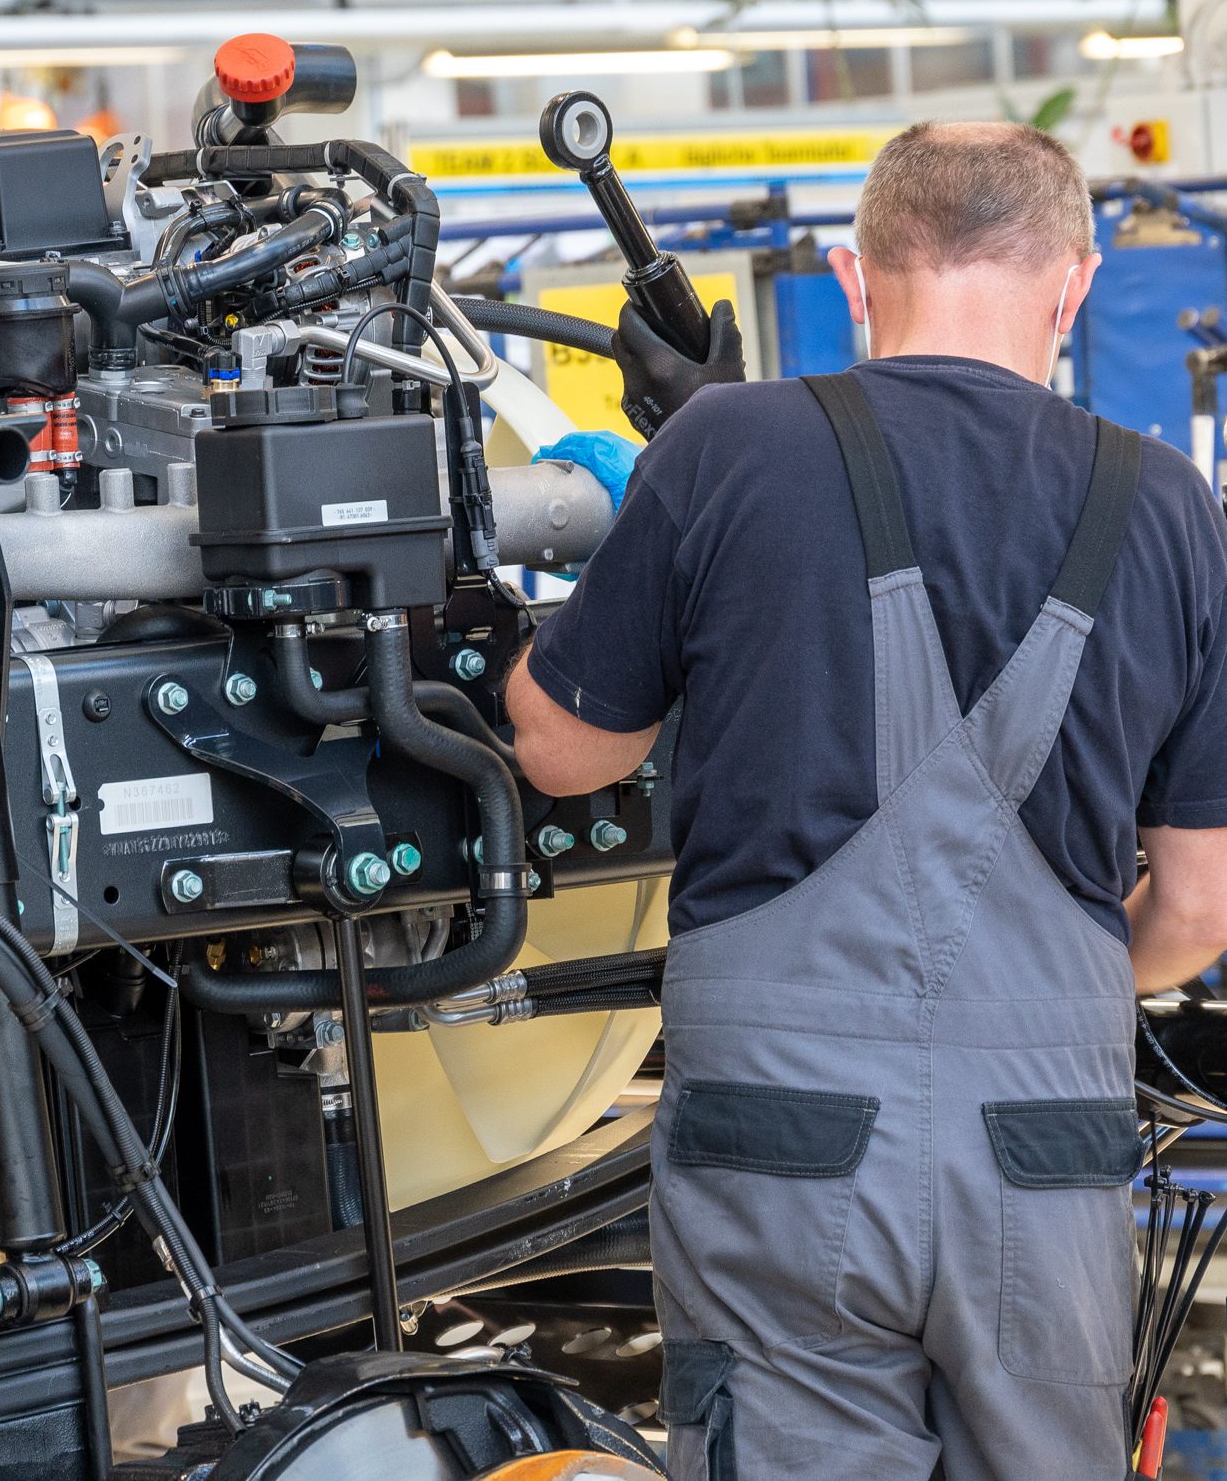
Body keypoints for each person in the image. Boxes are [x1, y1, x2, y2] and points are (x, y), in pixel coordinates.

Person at [505, 121, 1227, 1480]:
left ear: (853, 275)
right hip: (1046, 1147)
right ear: (1073, 287)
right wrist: (1036, 998)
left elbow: (559, 749)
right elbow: (1197, 908)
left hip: (780, 1141)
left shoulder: (726, 446)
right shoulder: (1170, 507)